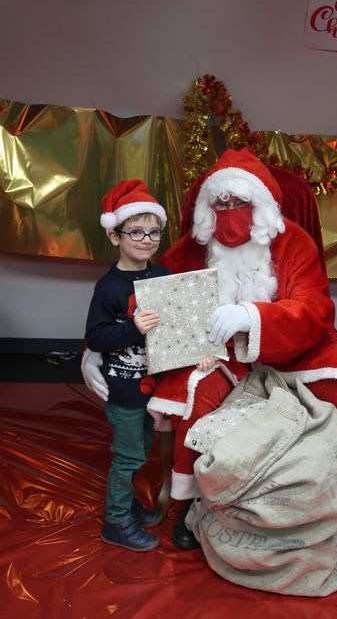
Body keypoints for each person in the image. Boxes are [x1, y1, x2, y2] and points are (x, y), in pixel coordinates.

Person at [83, 148, 337, 563]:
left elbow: (315, 307)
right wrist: (92, 350)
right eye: (220, 203)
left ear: (261, 204)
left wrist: (252, 315)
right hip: (219, 354)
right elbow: (142, 299)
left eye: (239, 202)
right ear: (207, 207)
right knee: (190, 384)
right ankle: (193, 503)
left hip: (291, 348)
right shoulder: (195, 246)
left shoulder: (292, 241)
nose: (229, 213)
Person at [84, 178, 170, 552]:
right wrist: (132, 328)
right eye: (136, 231)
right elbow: (97, 337)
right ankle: (116, 521)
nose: (146, 239)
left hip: (154, 384)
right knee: (129, 454)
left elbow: (180, 324)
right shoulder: (109, 287)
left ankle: (128, 503)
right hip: (122, 387)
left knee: (142, 446)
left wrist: (199, 348)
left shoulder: (164, 276)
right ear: (115, 236)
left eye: (154, 232)